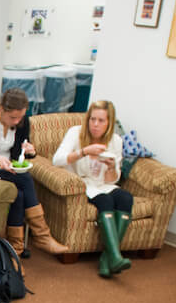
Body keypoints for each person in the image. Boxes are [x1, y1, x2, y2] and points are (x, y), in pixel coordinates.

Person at [0, 89, 67, 259]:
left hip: (9, 170)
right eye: (13, 117)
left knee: (18, 195)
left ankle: (15, 250)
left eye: (20, 117)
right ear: (1, 109)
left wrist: (30, 152)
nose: (17, 121)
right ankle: (42, 235)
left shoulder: (22, 122)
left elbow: (19, 153)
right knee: (25, 178)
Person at [52, 100, 131, 278]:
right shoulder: (75, 133)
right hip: (82, 184)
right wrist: (84, 152)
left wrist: (111, 167)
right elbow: (57, 160)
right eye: (92, 119)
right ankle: (114, 257)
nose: (95, 124)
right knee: (105, 201)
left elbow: (113, 179)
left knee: (126, 198)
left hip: (104, 184)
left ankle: (108, 258)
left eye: (101, 121)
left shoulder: (116, 141)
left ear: (109, 123)